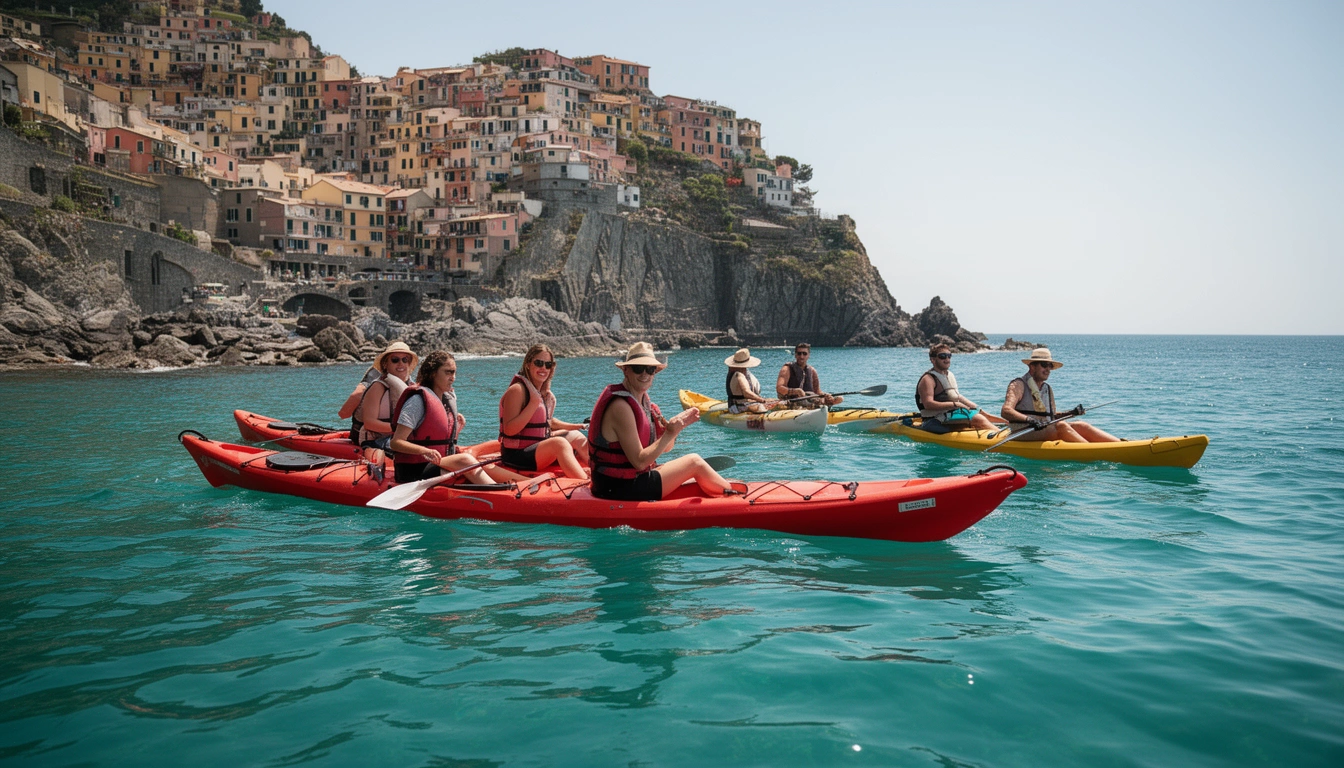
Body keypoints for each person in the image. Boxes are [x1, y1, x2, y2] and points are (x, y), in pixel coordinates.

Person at [589, 342, 738, 501]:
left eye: (650, 369)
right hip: (617, 488)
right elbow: (639, 462)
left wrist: (677, 427)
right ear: (626, 370)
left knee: (691, 465)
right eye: (638, 368)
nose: (645, 374)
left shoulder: (645, 404)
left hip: (629, 481)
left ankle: (726, 491)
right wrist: (670, 432)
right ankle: (737, 499)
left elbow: (667, 447)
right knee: (694, 462)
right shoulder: (620, 407)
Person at [389, 351, 528, 485]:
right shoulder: (417, 401)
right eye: (448, 372)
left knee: (476, 462)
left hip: (438, 463)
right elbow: (396, 442)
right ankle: (501, 495)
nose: (453, 377)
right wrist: (424, 451)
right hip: (414, 470)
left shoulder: (445, 400)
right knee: (466, 461)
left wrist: (455, 429)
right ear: (432, 374)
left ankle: (526, 483)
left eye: (454, 372)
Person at [498, 344, 589, 479]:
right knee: (559, 444)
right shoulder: (518, 390)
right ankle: (584, 484)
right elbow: (509, 430)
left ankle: (600, 473)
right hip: (516, 455)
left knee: (577, 436)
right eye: (539, 363)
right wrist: (533, 404)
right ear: (528, 364)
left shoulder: (542, 393)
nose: (543, 368)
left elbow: (547, 423)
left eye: (548, 364)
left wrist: (578, 426)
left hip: (537, 447)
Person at [1001, 348, 1119, 443]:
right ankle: (1096, 453)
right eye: (1044, 365)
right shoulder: (1018, 384)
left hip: (1043, 429)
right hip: (1023, 431)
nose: (1048, 369)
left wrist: (1071, 413)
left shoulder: (1047, 388)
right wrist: (1030, 420)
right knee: (1061, 426)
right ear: (1032, 366)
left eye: (1050, 366)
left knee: (1081, 425)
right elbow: (1006, 411)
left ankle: (1120, 444)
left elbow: (1050, 417)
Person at [915, 344, 1000, 432]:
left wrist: (978, 409)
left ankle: (1003, 432)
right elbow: (928, 404)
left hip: (950, 414)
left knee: (987, 417)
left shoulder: (949, 375)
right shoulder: (928, 379)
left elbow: (957, 396)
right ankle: (1002, 438)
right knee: (978, 419)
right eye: (942, 356)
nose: (947, 359)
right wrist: (955, 405)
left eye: (949, 356)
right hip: (934, 420)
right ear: (933, 360)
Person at [358, 341, 416, 461]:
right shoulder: (378, 387)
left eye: (405, 360)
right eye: (395, 360)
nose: (401, 364)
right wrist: (400, 430)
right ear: (385, 364)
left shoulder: (413, 386)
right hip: (375, 441)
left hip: (399, 438)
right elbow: (369, 422)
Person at [775, 343, 843, 408]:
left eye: (804, 354)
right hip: (791, 400)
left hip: (809, 399)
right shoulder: (787, 369)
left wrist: (826, 395)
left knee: (839, 398)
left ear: (808, 355)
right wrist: (795, 391)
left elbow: (817, 392)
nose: (801, 356)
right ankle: (818, 407)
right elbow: (779, 388)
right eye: (799, 353)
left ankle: (826, 404)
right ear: (795, 355)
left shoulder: (812, 371)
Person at [725, 348, 777, 413]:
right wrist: (761, 400)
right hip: (738, 406)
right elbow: (746, 393)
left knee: (775, 400)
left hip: (736, 404)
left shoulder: (733, 373)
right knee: (765, 407)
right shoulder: (739, 375)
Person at [338, 364, 382, 441]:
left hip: (363, 438)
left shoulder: (366, 386)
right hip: (392, 436)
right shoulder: (406, 385)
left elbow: (344, 414)